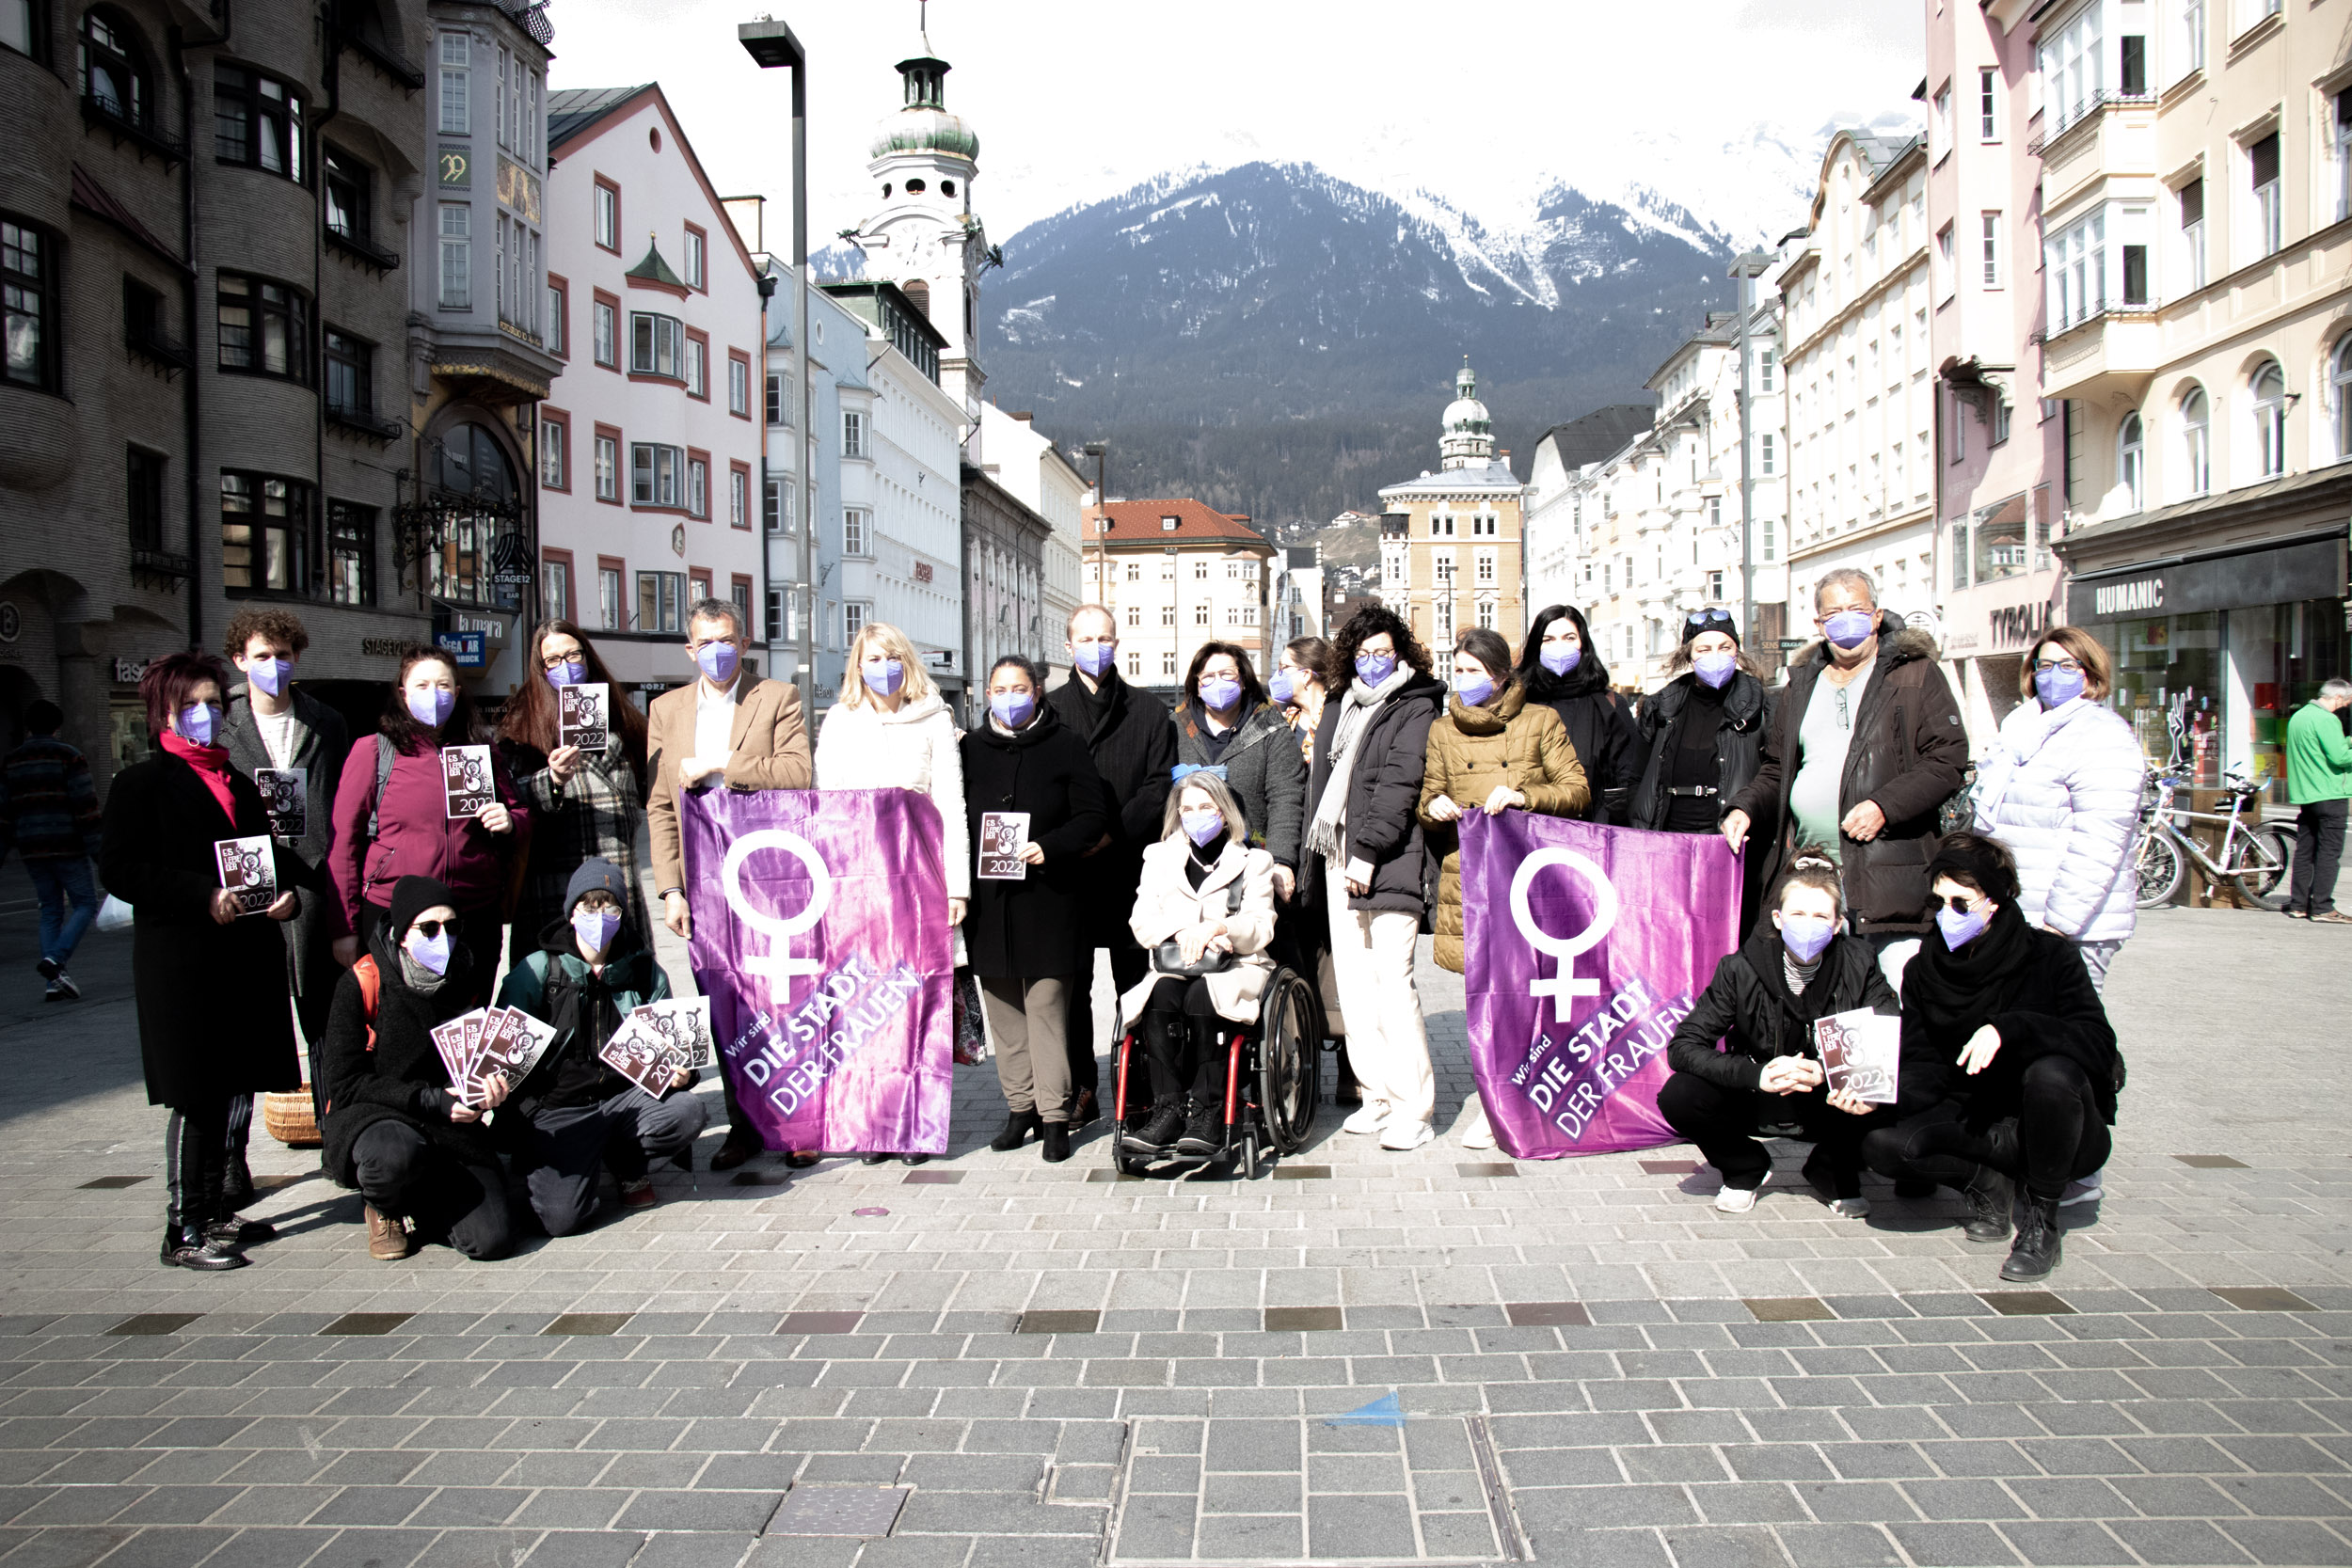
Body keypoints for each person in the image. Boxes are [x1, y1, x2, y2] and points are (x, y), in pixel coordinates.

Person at [100, 654, 304, 1269]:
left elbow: (265, 858)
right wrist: (200, 895)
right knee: (197, 1093)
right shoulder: (141, 784)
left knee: (230, 1086)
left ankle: (214, 1209)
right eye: (192, 704)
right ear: (164, 712)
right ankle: (183, 1227)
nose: (206, 714)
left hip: (241, 957)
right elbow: (121, 870)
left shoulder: (237, 781)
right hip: (182, 961)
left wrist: (284, 895)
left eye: (215, 703)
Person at [1862, 833, 2123, 1282]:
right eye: (1938, 902)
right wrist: (1878, 1094)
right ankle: (1986, 1181)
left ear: (1995, 902)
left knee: (2052, 1073)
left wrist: (2011, 1027)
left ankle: (2042, 1222)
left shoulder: (2050, 957)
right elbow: (1925, 1063)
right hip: (1979, 1123)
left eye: (1961, 903)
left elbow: (2098, 1044)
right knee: (1881, 1145)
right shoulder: (1925, 968)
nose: (1946, 914)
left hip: (2056, 1125)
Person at [645, 597, 812, 1171]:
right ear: (690, 650)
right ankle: (743, 1125)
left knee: (783, 1000)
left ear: (744, 643)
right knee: (726, 1004)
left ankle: (796, 1123)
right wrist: (671, 889)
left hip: (768, 875)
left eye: (727, 640)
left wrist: (721, 765)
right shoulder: (666, 710)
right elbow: (660, 808)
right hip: (704, 882)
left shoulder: (776, 697)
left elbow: (797, 773)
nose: (717, 651)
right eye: (706, 642)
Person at [1723, 570, 1966, 950]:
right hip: (1810, 870)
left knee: (1889, 982)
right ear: (1819, 623)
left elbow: (1946, 760)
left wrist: (1885, 806)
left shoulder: (1914, 675)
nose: (1846, 619)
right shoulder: (1801, 685)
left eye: (1857, 609)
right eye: (1834, 613)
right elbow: (1778, 769)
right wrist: (1745, 807)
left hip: (1886, 874)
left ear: (1877, 616)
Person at [1418, 627, 1590, 1148]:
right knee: (1484, 997)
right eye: (1458, 669)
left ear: (1499, 676)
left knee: (1520, 993)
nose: (1462, 679)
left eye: (1473, 671)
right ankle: (1495, 1099)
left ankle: (1520, 1098)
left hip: (1526, 873)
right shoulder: (1443, 730)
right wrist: (1434, 807)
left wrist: (1522, 796)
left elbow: (1576, 790)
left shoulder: (1540, 720)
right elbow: (1428, 796)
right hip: (1469, 874)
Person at [1658, 852, 1896, 1216]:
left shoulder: (1861, 963)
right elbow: (1684, 1046)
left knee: (1890, 1090)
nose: (1808, 925)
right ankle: (1744, 1168)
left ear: (1837, 924)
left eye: (1820, 916)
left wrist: (1831, 1072)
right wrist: (1755, 1074)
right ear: (1778, 919)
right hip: (1758, 1093)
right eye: (1797, 914)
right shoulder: (1739, 968)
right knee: (1680, 1094)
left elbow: (1886, 1036)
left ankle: (1832, 1170)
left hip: (1827, 1099)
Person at [816, 621, 970, 1166]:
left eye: (893, 657)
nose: (883, 667)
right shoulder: (840, 721)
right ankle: (875, 1122)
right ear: (858, 667)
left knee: (915, 1001)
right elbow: (827, 805)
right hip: (859, 881)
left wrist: (958, 887)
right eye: (873, 658)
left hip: (920, 876)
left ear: (907, 661)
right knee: (866, 1005)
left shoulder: (933, 716)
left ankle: (914, 1123)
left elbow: (952, 803)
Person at [217, 608, 351, 1206]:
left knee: (323, 1020)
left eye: (284, 655)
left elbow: (343, 806)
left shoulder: (325, 721)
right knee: (246, 1028)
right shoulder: (223, 725)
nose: (274, 665)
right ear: (240, 660)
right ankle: (230, 1157)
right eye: (262, 656)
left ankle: (337, 1139)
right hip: (247, 895)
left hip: (313, 888)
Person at [496, 859, 706, 1232]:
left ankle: (626, 1163)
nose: (600, 917)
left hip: (622, 1100)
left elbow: (673, 1049)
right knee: (562, 1220)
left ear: (622, 915)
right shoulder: (539, 970)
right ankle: (565, 1162)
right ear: (571, 914)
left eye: (610, 909)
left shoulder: (643, 970)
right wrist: (526, 1114)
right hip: (558, 1109)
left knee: (687, 1111)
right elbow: (501, 1053)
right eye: (589, 908)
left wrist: (682, 1075)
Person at [1304, 605, 1445, 1151]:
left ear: (1400, 652)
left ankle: (1414, 1108)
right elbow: (1322, 783)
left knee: (1393, 983)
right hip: (1337, 854)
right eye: (1362, 654)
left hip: (1388, 856)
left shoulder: (1415, 704)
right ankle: (1376, 1094)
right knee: (1356, 986)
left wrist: (1366, 851)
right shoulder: (1340, 703)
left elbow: (1400, 783)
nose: (1372, 662)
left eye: (1382, 652)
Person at [961, 656, 1112, 1163]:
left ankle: (1055, 1116)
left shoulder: (1066, 744)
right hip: (991, 904)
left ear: (1038, 692)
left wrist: (1051, 846)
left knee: (1047, 1009)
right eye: (1000, 689)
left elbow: (1093, 816)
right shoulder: (969, 749)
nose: (1010, 698)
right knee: (1004, 1013)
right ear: (987, 694)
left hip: (1051, 901)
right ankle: (1019, 1108)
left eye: (1020, 688)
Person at [319, 875, 515, 1262]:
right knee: (395, 1154)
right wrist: (429, 1100)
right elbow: (344, 1083)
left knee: (491, 1239)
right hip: (378, 1115)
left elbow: (471, 1060)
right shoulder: (362, 982)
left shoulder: (465, 977)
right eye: (429, 928)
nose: (443, 937)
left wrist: (486, 1092)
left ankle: (421, 1200)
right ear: (401, 934)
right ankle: (383, 1205)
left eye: (451, 926)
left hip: (448, 1125)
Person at [326, 645, 528, 1005]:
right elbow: (344, 844)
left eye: (443, 685)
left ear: (458, 692)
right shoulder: (374, 751)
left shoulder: (481, 749)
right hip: (396, 917)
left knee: (466, 1022)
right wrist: (344, 928)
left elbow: (521, 815)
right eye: (422, 685)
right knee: (400, 1023)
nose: (434, 694)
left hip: (473, 915)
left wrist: (510, 821)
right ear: (403, 693)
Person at [1044, 605, 1175, 1129]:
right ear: (1068, 645)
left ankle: (1136, 1085)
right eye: (1085, 639)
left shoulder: (1148, 711)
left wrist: (1110, 833)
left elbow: (1159, 784)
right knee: (1072, 988)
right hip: (1070, 872)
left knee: (1135, 983)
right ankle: (1082, 1088)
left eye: (1104, 639)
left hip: (1128, 868)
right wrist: (1074, 838)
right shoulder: (1050, 708)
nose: (1095, 648)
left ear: (1117, 644)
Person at [1118, 773, 1279, 1160]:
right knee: (1161, 992)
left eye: (1206, 807)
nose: (1196, 816)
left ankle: (1209, 1109)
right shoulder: (1158, 857)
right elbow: (1141, 920)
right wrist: (1182, 931)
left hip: (1237, 964)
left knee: (1204, 994)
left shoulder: (1254, 861)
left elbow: (1261, 925)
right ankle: (1169, 1109)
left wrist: (1220, 928)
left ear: (1224, 813)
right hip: (1177, 961)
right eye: (1187, 809)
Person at [495, 618, 652, 966]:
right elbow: (509, 801)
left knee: (625, 983)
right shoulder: (521, 727)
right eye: (553, 660)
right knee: (557, 985)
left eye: (573, 655)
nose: (565, 666)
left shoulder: (625, 721)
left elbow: (653, 795)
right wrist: (552, 780)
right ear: (541, 668)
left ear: (587, 656)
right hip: (554, 890)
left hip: (617, 884)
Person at [1270, 634, 1355, 1104]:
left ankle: (1349, 1063)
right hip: (1295, 856)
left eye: (1285, 667)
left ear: (1306, 673)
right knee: (1298, 958)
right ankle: (1300, 1063)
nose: (1278, 676)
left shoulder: (1341, 717)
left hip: (1332, 855)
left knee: (1337, 963)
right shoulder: (1282, 720)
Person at [1172, 642, 1307, 895]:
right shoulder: (1176, 727)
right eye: (1208, 676)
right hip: (1189, 862)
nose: (1217, 682)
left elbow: (1286, 797)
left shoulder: (1271, 727)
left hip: (1252, 862)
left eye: (1227, 674)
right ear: (1197, 685)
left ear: (1243, 680)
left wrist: (1280, 860)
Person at [0, 698, 103, 1002]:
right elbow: (86, 807)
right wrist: (98, 851)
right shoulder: (69, 757)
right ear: (58, 726)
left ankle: (54, 982)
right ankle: (56, 960)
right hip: (68, 844)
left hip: (31, 847)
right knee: (85, 903)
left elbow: (4, 813)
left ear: (28, 727)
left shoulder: (12, 761)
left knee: (50, 909)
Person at [1515, 604, 1639, 824]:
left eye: (1569, 638)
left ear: (1583, 643)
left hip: (1592, 829)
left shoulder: (1609, 705)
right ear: (1536, 646)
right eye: (1548, 639)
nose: (1559, 646)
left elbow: (1629, 776)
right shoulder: (1518, 703)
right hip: (1529, 828)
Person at [2284, 677, 2352, 923]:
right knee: (2329, 853)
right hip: (2330, 793)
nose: (2345, 706)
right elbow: (2340, 757)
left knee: (2305, 851)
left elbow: (2321, 749)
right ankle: (2322, 907)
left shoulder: (2299, 717)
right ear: (2337, 697)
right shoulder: (2327, 719)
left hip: (2307, 794)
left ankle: (2298, 905)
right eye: (2346, 701)